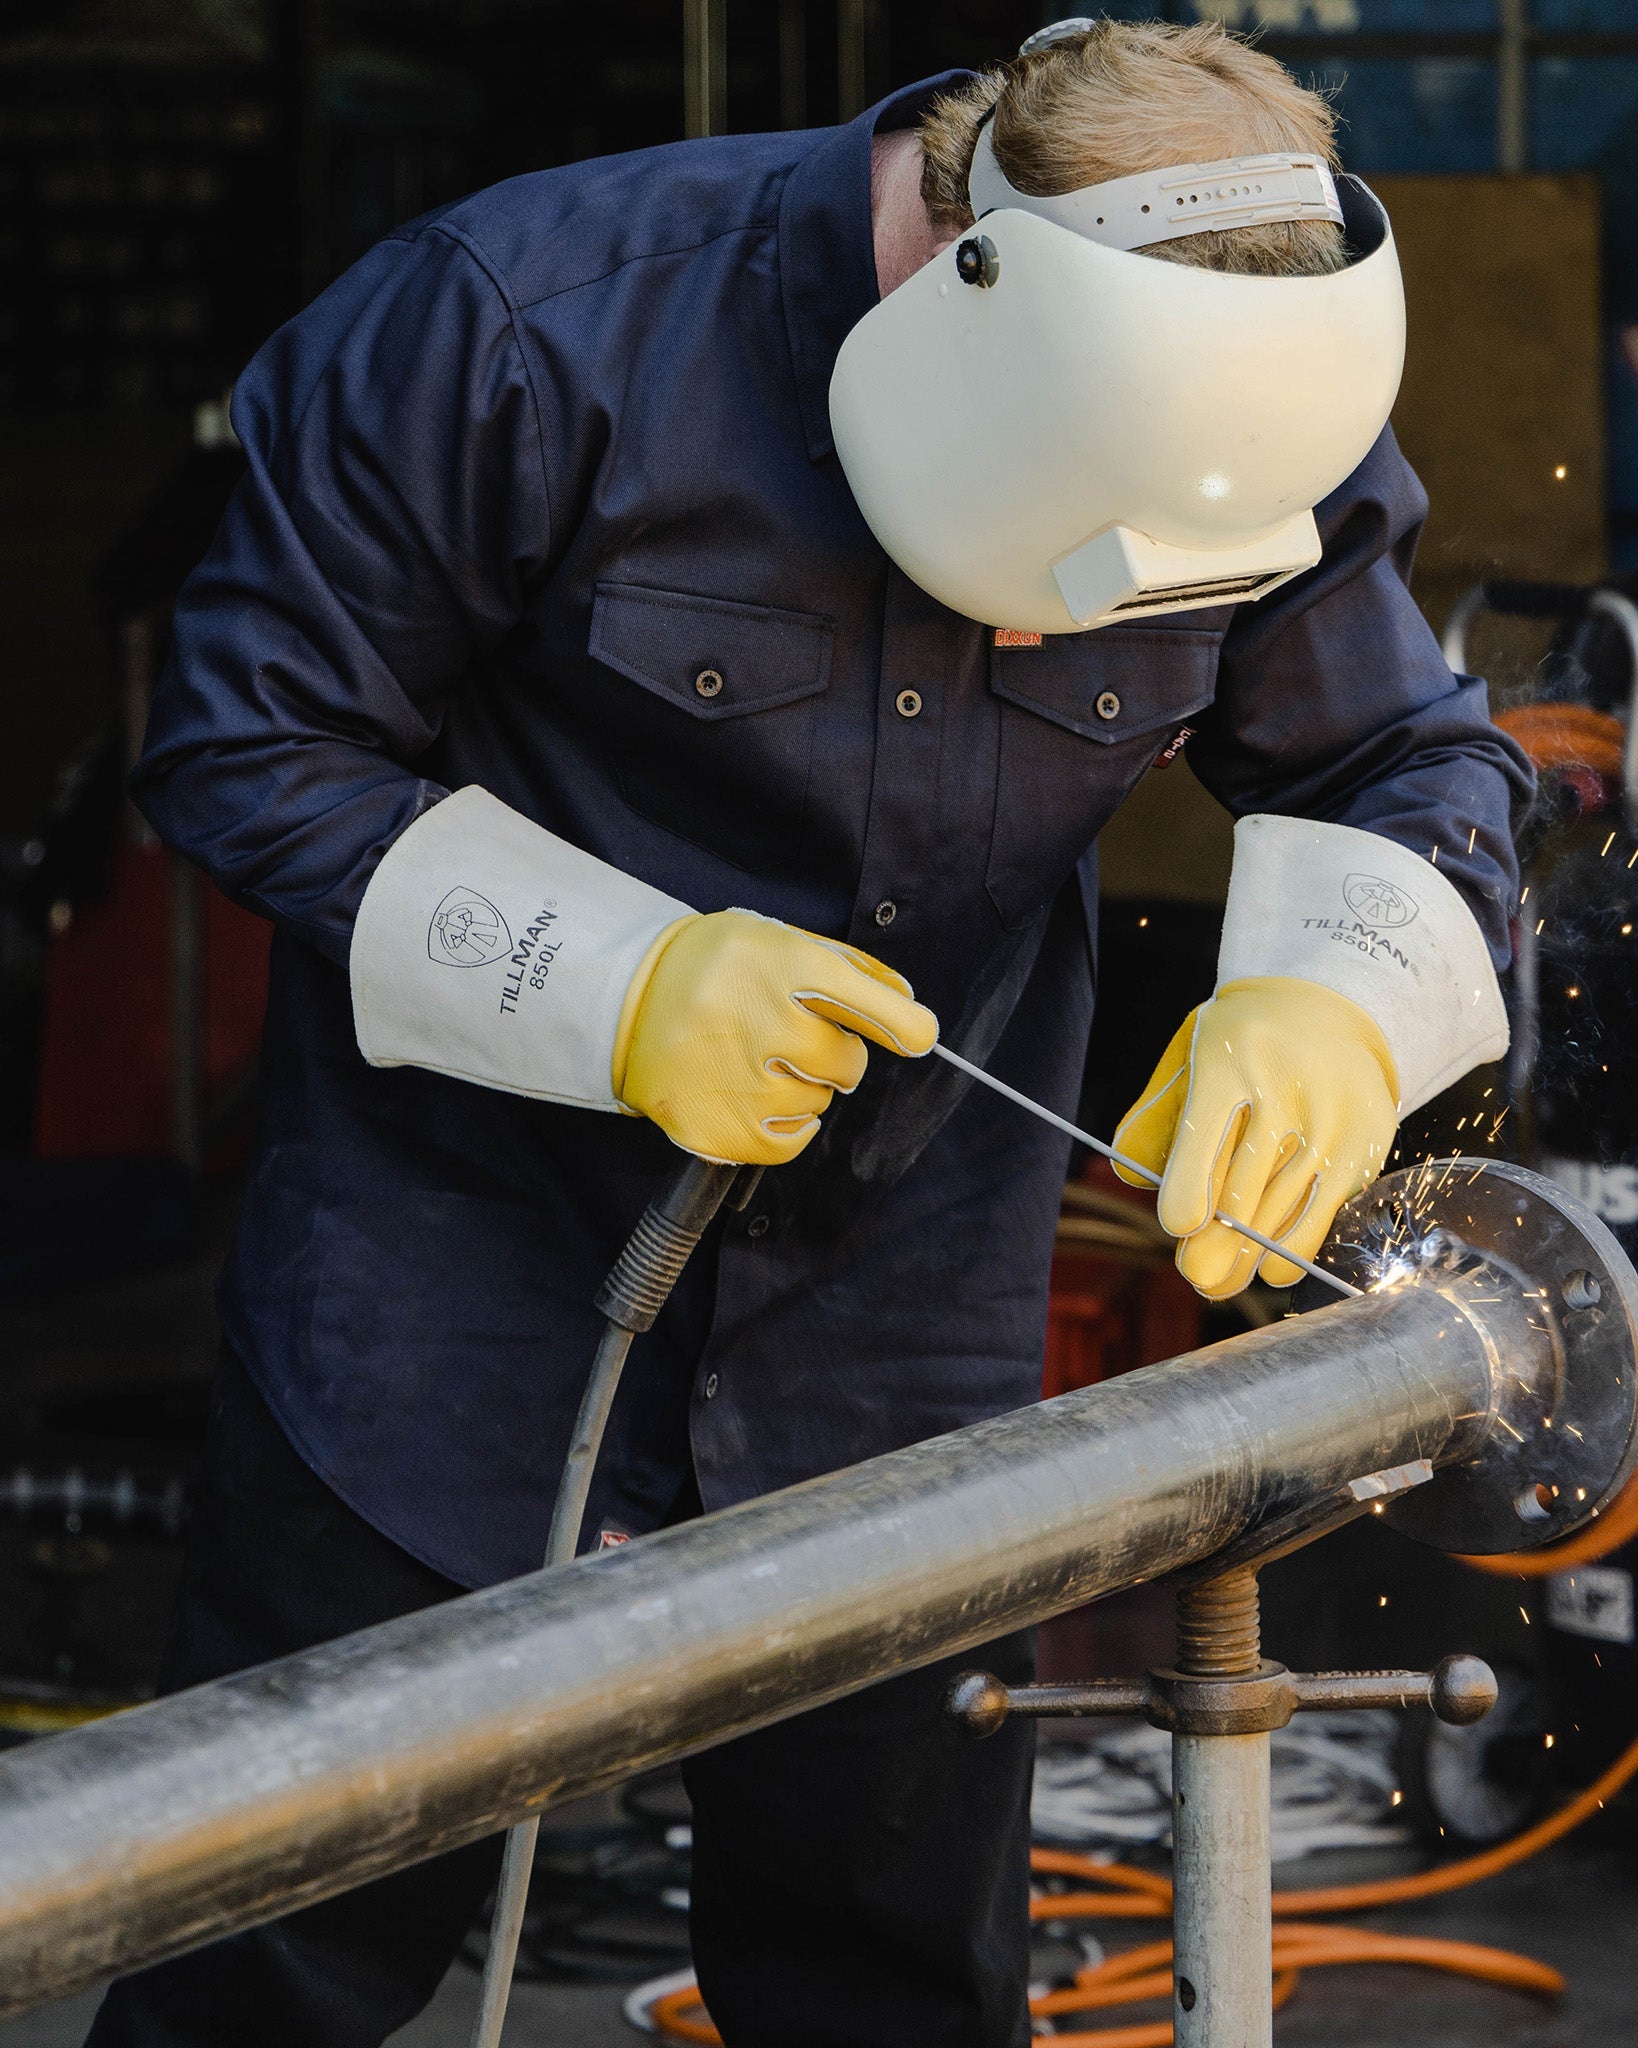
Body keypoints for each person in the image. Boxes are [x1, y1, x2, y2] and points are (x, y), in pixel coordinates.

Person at [87, 18, 1531, 2048]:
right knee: (271, 1972)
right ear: (957, 289)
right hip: (448, 1293)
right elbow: (242, 740)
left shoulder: (1238, 387)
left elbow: (1410, 757)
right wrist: (617, 981)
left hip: (899, 1341)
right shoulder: (523, 326)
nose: (1062, 629)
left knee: (892, 1991)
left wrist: (1337, 1001)